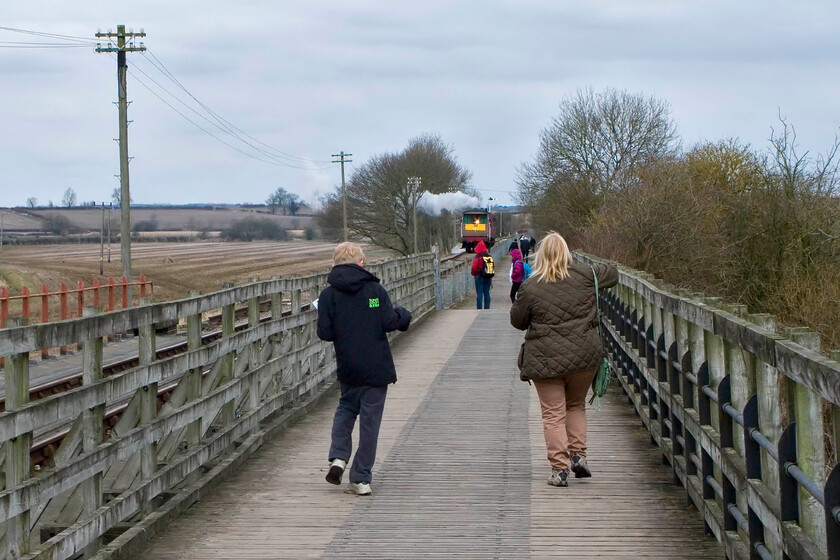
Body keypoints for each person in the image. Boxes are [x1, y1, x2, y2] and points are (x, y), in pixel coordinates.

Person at [510, 232, 617, 487]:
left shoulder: (531, 285)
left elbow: (517, 321)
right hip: (584, 356)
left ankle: (560, 470)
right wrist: (585, 269)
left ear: (541, 256)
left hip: (545, 360)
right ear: (567, 255)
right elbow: (612, 273)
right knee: (576, 405)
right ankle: (578, 456)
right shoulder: (584, 276)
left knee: (552, 414)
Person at [317, 242, 412, 496]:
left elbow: (324, 332)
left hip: (348, 365)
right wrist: (404, 315)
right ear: (362, 263)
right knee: (370, 423)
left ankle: (338, 457)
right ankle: (360, 479)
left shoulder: (328, 295)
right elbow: (389, 321)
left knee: (346, 409)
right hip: (375, 367)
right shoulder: (374, 290)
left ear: (334, 264)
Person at [470, 240, 494, 309]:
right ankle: (487, 308)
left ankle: (479, 309)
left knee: (479, 293)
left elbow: (474, 268)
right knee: (487, 293)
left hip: (479, 277)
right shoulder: (489, 256)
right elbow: (492, 266)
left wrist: (474, 274)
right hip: (488, 276)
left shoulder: (478, 257)